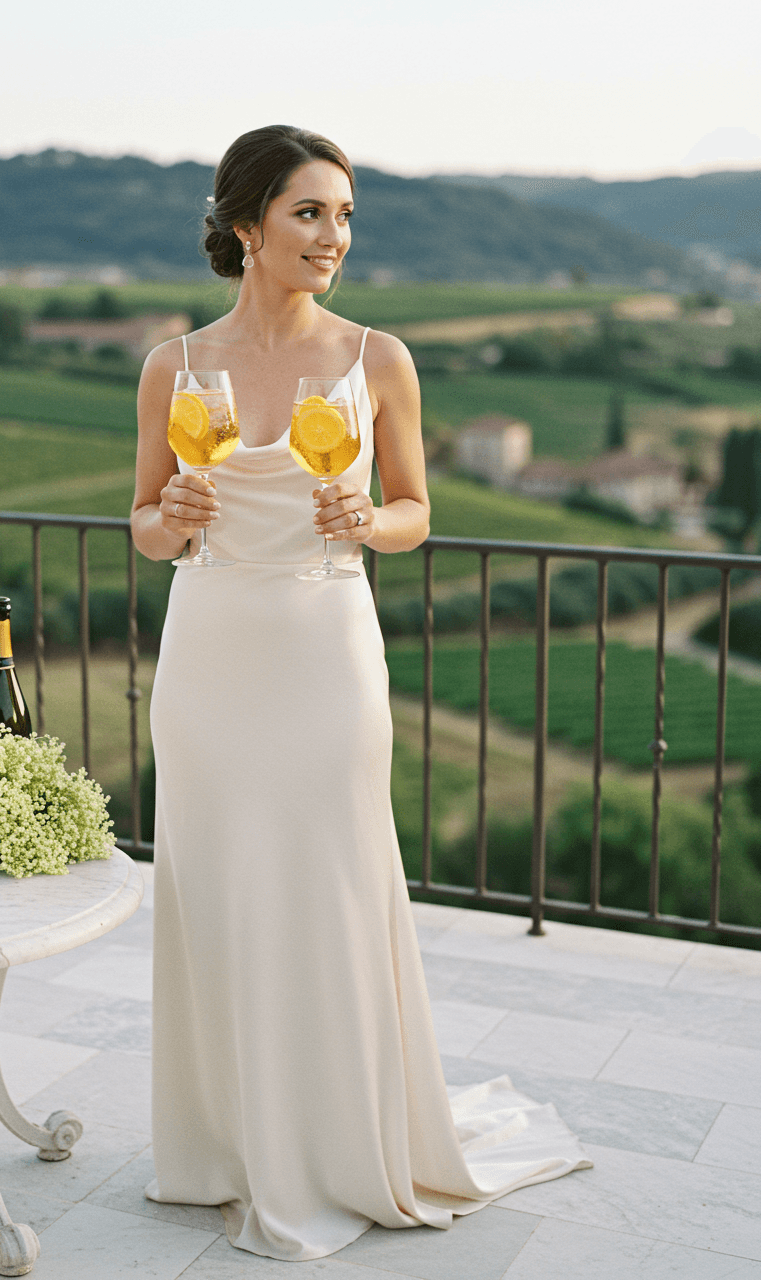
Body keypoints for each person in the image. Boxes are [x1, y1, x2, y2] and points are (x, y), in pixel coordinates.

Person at [130, 125, 591, 1263]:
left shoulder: (375, 358)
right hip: (210, 655)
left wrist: (368, 521)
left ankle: (339, 1142)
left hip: (328, 650)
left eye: (342, 215)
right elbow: (143, 526)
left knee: (330, 887)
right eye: (308, 213)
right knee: (222, 890)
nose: (332, 235)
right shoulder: (172, 365)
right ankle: (230, 1146)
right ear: (246, 225)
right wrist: (170, 520)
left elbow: (415, 508)